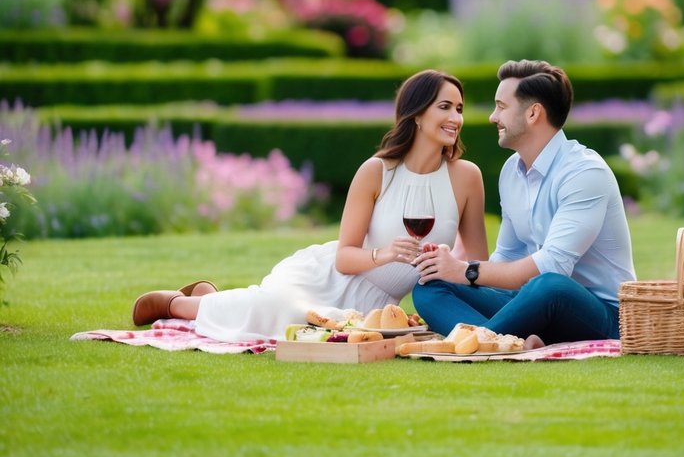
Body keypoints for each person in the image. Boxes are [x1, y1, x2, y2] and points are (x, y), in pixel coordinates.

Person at [131, 69, 488, 340]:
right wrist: (386, 255)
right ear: (416, 115)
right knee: (282, 311)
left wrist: (449, 265)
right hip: (331, 277)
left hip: (379, 305)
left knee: (308, 329)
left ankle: (215, 299)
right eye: (445, 107)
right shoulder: (377, 171)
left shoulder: (466, 177)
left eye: (459, 108)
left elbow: (478, 261)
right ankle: (176, 305)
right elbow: (345, 256)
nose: (456, 118)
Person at [412, 59, 636, 346]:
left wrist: (465, 270)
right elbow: (505, 258)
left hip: (602, 314)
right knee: (429, 284)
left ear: (532, 113)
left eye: (501, 107)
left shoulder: (584, 172)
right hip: (533, 303)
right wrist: (450, 268)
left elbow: (552, 265)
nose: (493, 117)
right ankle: (506, 340)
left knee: (549, 284)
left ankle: (480, 343)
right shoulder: (511, 171)